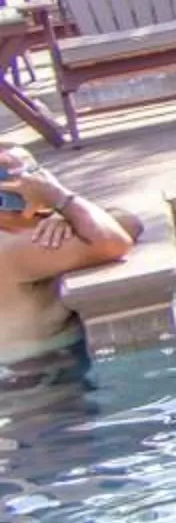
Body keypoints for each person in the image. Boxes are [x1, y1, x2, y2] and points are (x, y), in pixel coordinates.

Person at [0, 147, 143, 377]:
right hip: (36, 381)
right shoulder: (15, 247)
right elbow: (115, 241)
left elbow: (127, 221)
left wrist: (65, 215)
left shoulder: (28, 235)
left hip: (33, 371)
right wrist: (62, 201)